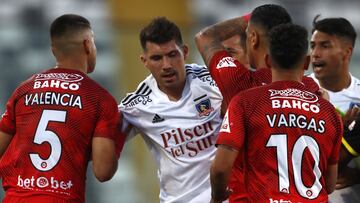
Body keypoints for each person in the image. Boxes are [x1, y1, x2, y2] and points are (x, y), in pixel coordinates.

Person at [195, 4, 320, 202]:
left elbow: (205, 36)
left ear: (252, 38)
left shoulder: (238, 83)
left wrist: (250, 17)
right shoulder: (312, 89)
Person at [210, 23, 343, 203]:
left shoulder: (245, 102)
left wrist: (216, 197)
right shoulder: (329, 112)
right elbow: (329, 184)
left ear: (268, 61)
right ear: (306, 62)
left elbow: (220, 169)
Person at [0, 14, 124, 203]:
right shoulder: (100, 99)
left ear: (53, 50)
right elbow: (103, 171)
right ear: (87, 45)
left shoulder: (24, 89)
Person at [118, 17, 223, 203]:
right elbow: (101, 142)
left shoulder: (214, 81)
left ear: (185, 52)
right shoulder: (137, 105)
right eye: (157, 58)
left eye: (172, 55)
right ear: (144, 61)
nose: (166, 65)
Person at [309, 16, 360, 202]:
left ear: (347, 52)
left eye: (325, 46)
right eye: (313, 45)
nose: (315, 53)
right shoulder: (296, 94)